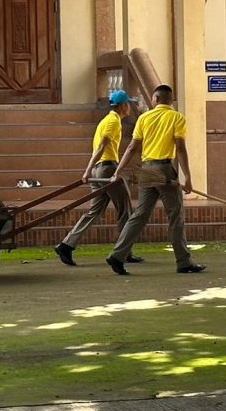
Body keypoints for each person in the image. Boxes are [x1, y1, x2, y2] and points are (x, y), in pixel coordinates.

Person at [104, 84, 205, 276]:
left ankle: (117, 254)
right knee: (175, 217)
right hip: (164, 169)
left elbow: (132, 148)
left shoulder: (144, 118)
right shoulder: (176, 117)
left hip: (146, 169)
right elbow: (180, 148)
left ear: (155, 99)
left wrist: (118, 171)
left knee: (140, 215)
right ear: (170, 100)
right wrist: (188, 177)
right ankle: (184, 262)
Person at [54, 89, 144, 266]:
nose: (129, 107)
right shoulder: (113, 121)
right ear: (123, 106)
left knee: (95, 211)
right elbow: (102, 146)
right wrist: (87, 170)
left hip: (99, 169)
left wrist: (91, 170)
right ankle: (124, 252)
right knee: (125, 210)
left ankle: (67, 245)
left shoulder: (106, 120)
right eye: (128, 104)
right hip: (107, 168)